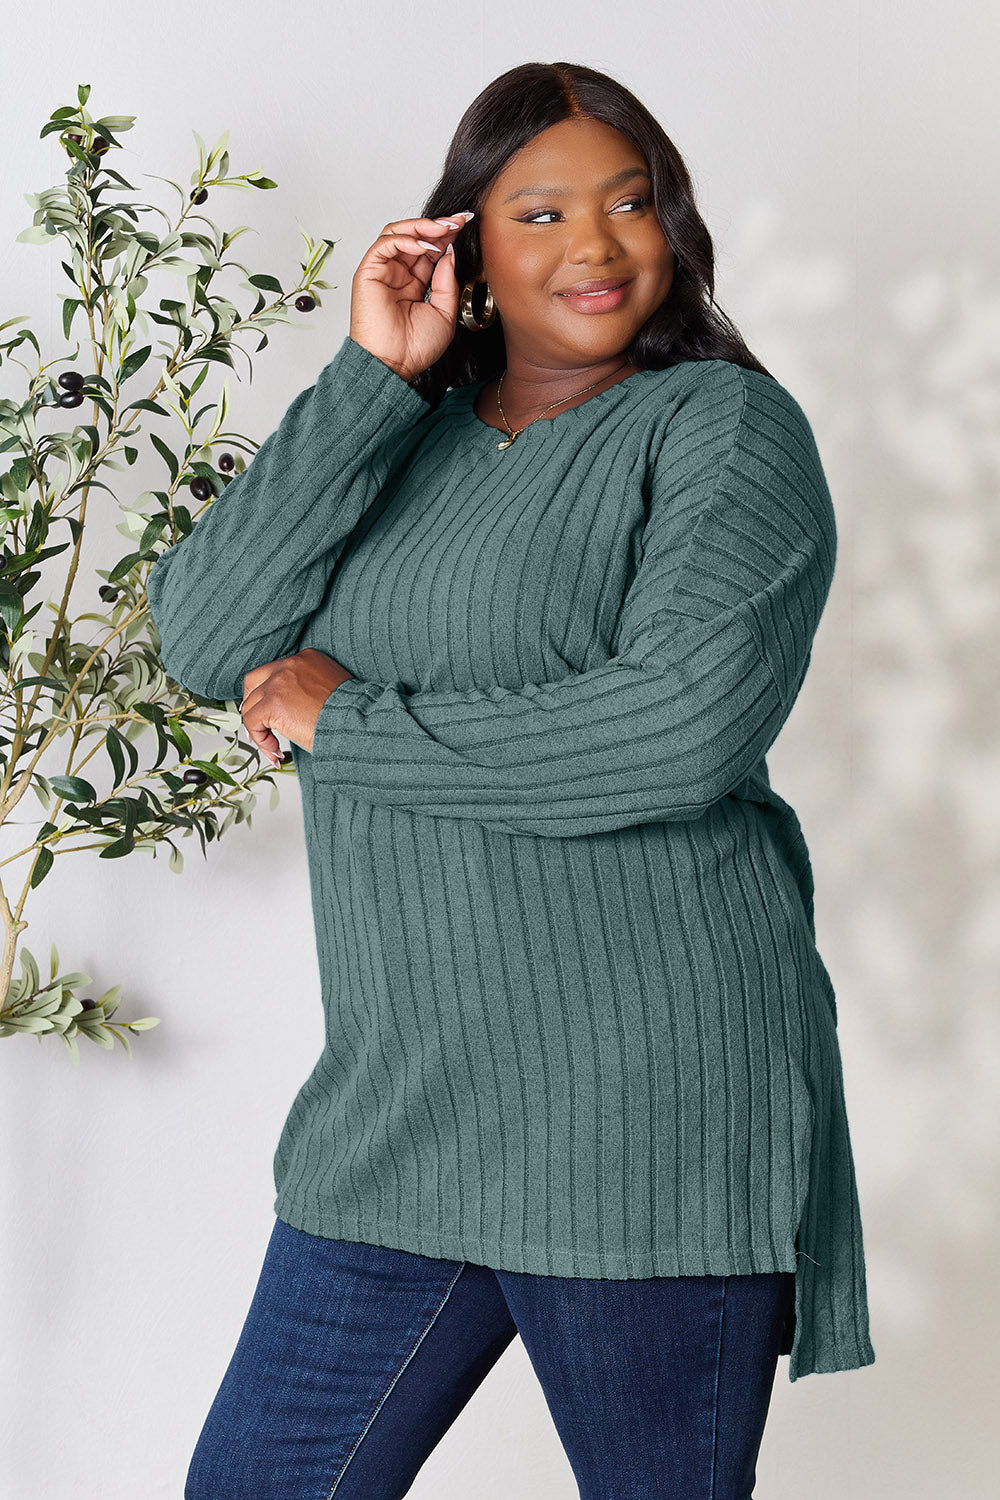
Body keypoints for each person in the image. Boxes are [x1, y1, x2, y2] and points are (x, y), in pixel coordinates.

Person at [147, 59, 875, 1500]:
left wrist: (350, 725)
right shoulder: (401, 438)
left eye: (630, 203)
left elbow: (677, 726)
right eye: (539, 212)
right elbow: (208, 638)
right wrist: (371, 379)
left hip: (644, 1110)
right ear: (467, 242)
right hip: (402, 1107)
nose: (596, 247)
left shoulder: (721, 431)